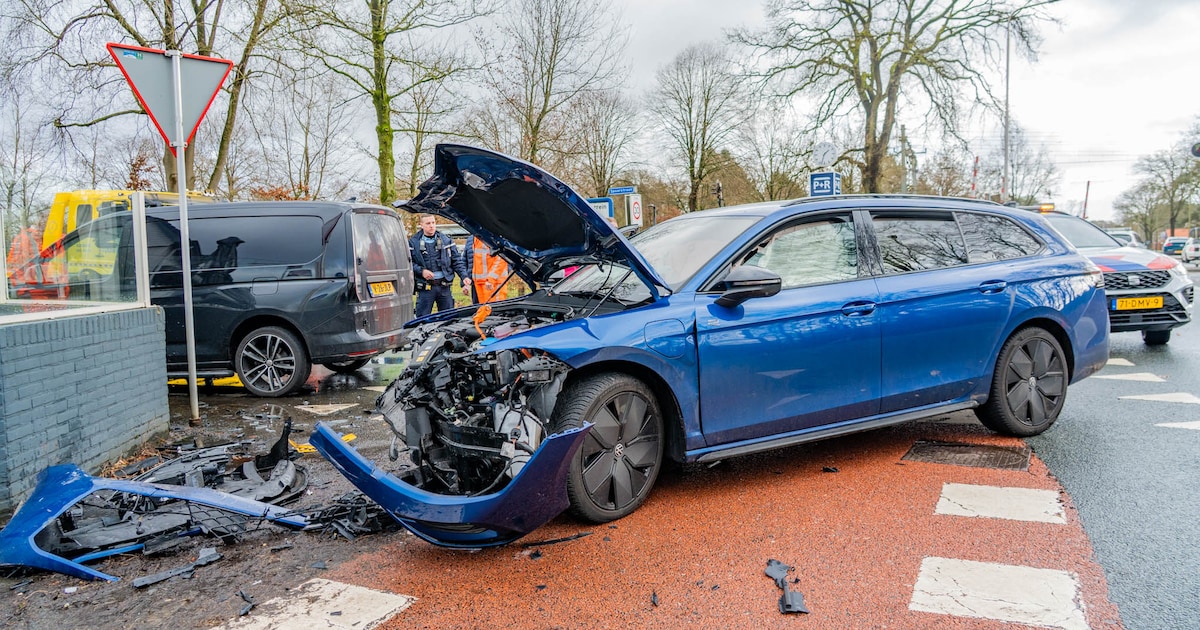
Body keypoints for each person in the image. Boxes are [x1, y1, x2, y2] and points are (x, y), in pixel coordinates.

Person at [408, 214, 468, 316]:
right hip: (425, 289)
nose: (431, 226)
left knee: (448, 318)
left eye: (433, 223)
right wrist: (422, 271)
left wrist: (464, 276)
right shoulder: (413, 243)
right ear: (421, 225)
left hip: (444, 287)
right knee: (422, 319)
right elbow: (408, 264)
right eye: (428, 223)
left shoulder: (446, 241)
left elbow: (456, 260)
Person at [462, 236, 510, 304]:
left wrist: (491, 279)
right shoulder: (476, 237)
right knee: (484, 311)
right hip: (480, 283)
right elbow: (471, 261)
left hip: (493, 284)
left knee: (495, 311)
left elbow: (502, 259)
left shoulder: (493, 236)